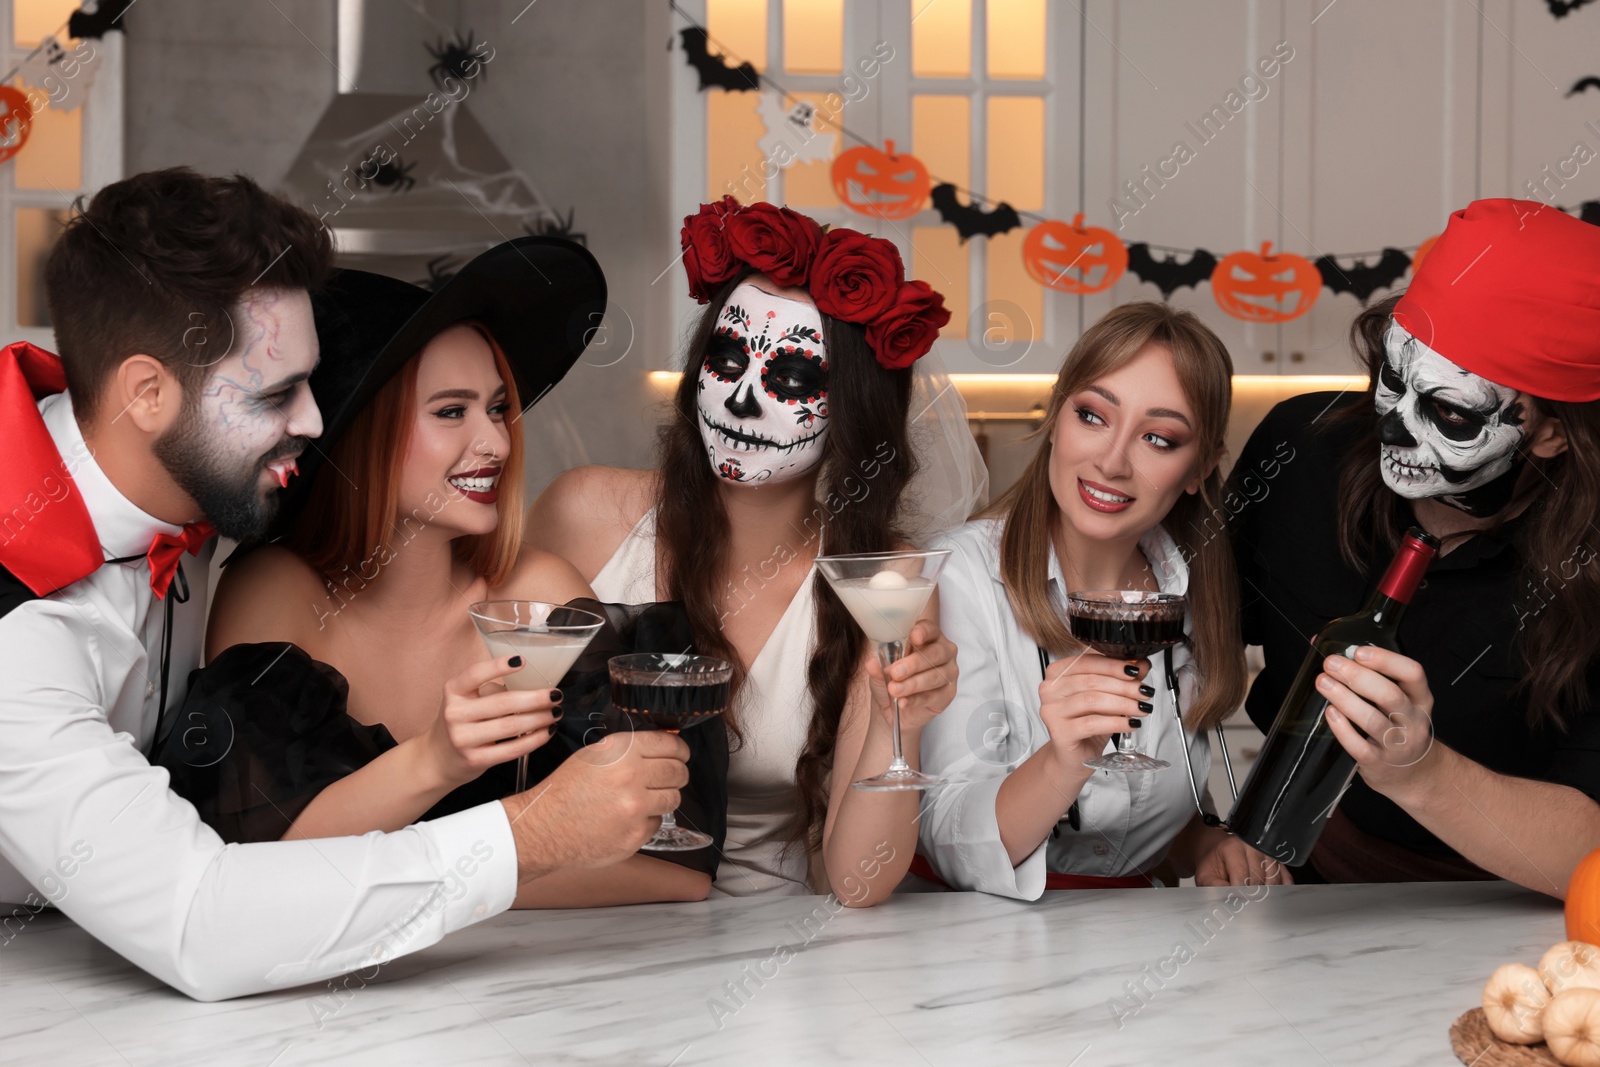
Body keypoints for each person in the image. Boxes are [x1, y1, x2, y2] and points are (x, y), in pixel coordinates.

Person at [0, 169, 686, 1002]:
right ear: (147, 393)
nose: (320, 423)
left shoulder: (187, 495)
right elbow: (199, 923)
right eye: (277, 393)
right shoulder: (19, 634)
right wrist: (526, 835)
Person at [166, 244, 723, 906]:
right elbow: (257, 867)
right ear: (362, 435)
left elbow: (676, 866)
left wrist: (418, 866)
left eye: (495, 408)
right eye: (451, 411)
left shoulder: (538, 593)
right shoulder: (274, 591)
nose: (496, 442)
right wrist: (483, 802)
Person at [530, 199, 983, 904]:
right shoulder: (583, 513)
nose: (742, 399)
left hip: (762, 953)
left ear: (851, 407)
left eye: (794, 379)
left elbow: (857, 882)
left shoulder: (884, 578)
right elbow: (502, 767)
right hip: (556, 921)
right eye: (730, 357)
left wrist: (903, 720)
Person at [1228, 198, 1600, 898]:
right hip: (1293, 890)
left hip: (1510, 916)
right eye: (1393, 381)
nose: (1393, 430)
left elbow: (1590, 853)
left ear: (1553, 432)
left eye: (1452, 412)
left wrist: (1422, 771)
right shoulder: (1299, 451)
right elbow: (1192, 652)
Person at [919, 302, 1287, 897]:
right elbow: (950, 844)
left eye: (1159, 438)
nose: (1112, 462)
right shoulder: (960, 574)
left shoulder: (1195, 594)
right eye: (1092, 416)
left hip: (1135, 937)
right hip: (972, 943)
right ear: (1057, 415)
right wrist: (1064, 762)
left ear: (1200, 468)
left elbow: (1149, 812)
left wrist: (1206, 844)